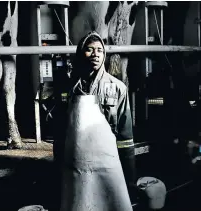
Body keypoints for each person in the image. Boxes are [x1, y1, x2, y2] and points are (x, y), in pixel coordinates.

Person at [53, 31, 138, 206]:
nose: (95, 54)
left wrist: (130, 177)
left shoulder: (118, 88)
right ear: (80, 53)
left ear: (104, 54)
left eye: (99, 50)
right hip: (75, 165)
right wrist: (58, 169)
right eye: (89, 50)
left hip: (107, 164)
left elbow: (125, 137)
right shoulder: (68, 90)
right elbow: (60, 133)